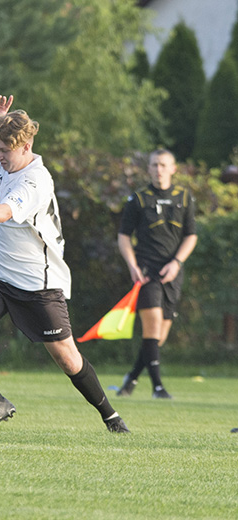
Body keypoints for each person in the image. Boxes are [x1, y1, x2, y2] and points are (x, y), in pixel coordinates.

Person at [0, 95, 129, 433]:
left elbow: (4, 212)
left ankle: (111, 417)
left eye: (5, 151)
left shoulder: (35, 180)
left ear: (26, 146)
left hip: (37, 283)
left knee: (66, 357)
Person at [115, 149, 197, 399]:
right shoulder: (138, 199)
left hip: (172, 272)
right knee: (151, 330)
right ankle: (158, 388)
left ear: (173, 168)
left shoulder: (184, 197)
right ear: (148, 168)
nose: (158, 169)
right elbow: (124, 236)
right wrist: (132, 266)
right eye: (154, 165)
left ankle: (130, 380)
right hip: (147, 272)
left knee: (159, 337)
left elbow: (191, 236)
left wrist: (176, 263)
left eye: (163, 165)